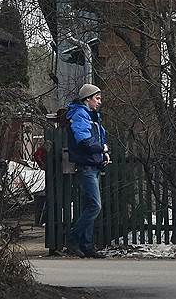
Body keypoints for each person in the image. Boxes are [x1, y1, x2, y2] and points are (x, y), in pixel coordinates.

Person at [64, 83, 110, 259]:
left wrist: (104, 154)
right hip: (86, 168)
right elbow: (84, 141)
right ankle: (73, 238)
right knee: (95, 206)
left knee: (88, 206)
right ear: (87, 99)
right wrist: (102, 149)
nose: (99, 102)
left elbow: (99, 140)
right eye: (96, 98)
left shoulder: (92, 117)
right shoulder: (80, 114)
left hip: (93, 166)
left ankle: (87, 246)